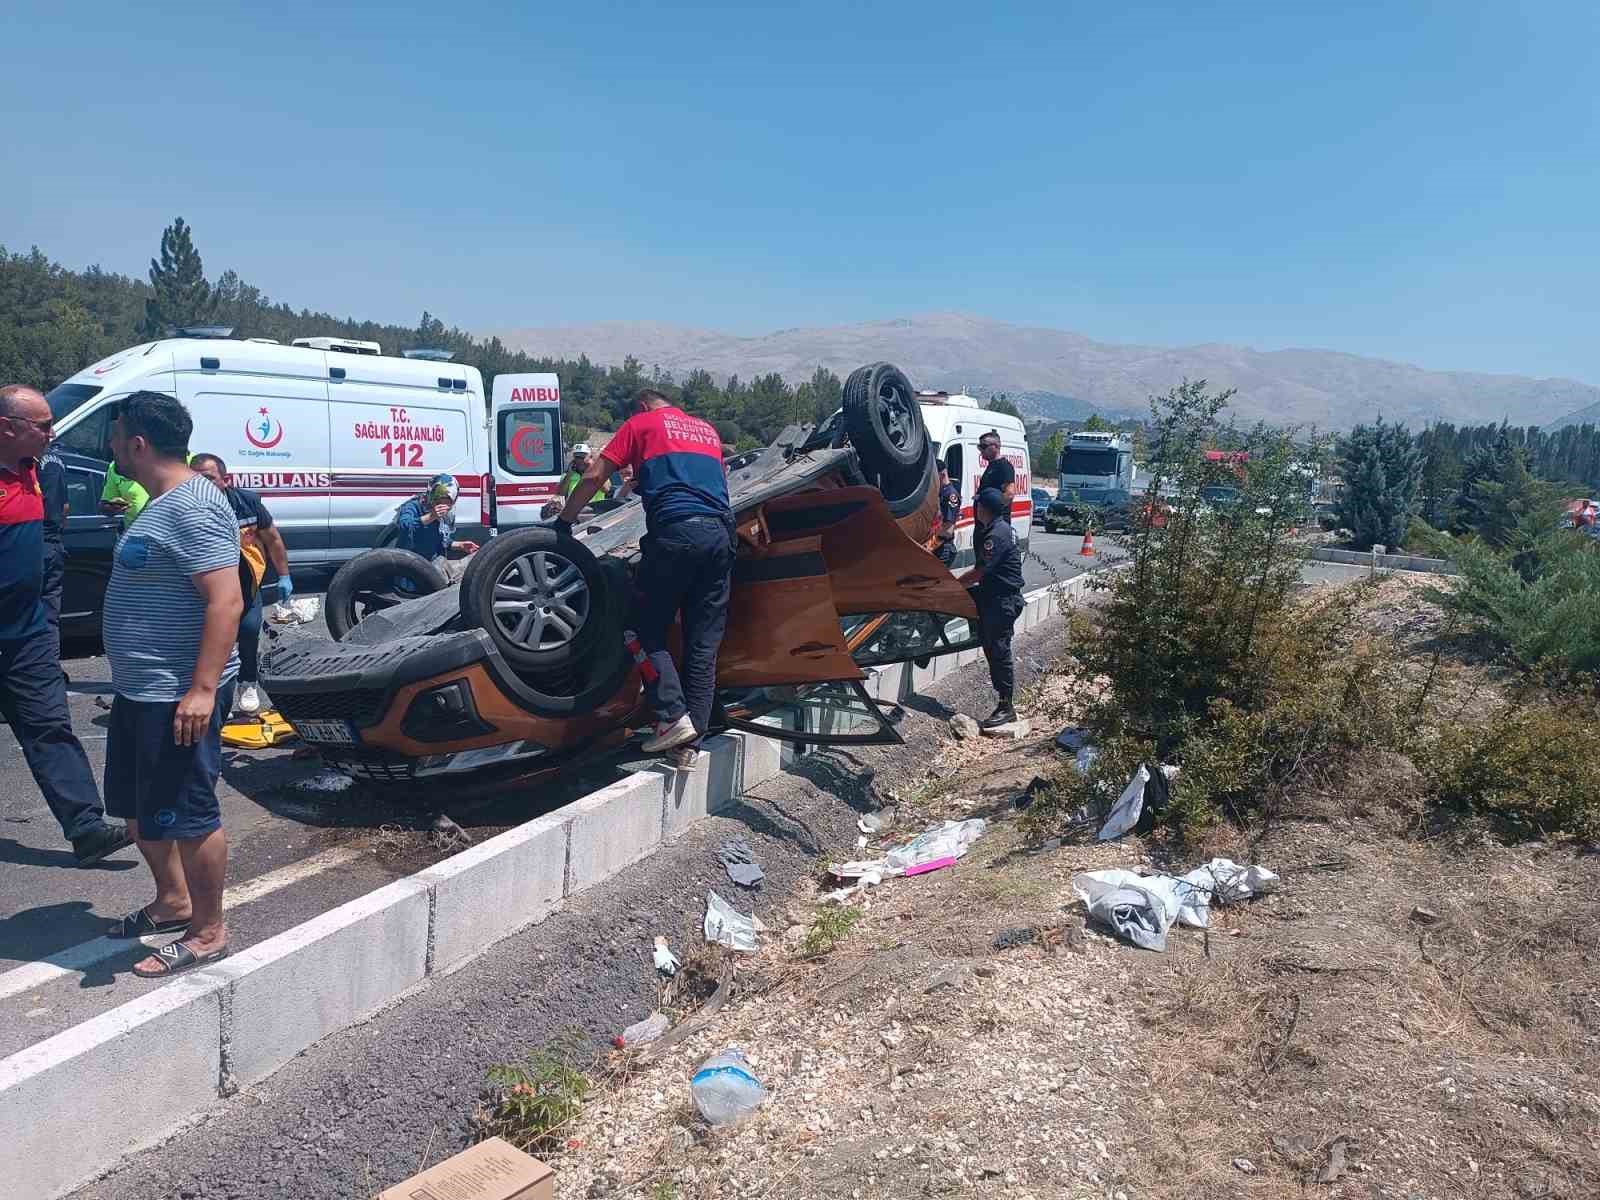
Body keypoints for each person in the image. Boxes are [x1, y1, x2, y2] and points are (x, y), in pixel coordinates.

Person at [101, 390, 244, 978]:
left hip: (177, 694)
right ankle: (173, 900)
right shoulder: (161, 504)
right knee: (139, 813)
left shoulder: (194, 504)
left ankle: (208, 929)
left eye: (114, 439)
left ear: (137, 443)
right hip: (141, 691)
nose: (110, 449)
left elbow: (226, 600)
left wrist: (203, 690)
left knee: (188, 814)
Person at [555, 389, 733, 754]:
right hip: (721, 535)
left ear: (640, 407)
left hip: (676, 533)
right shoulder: (706, 430)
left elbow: (593, 477)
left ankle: (671, 715)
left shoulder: (641, 424)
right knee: (702, 644)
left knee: (640, 629)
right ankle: (689, 745)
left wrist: (563, 524)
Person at [0, 385, 131, 864]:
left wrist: (45, 616)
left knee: (49, 725)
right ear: (7, 428)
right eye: (42, 426)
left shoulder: (39, 470)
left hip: (27, 633)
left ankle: (85, 828)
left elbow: (48, 544)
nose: (52, 434)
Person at [191, 454, 291, 716]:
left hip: (244, 583)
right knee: (209, 638)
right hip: (205, 587)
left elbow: (274, 540)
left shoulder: (247, 504)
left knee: (248, 631)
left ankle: (248, 682)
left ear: (225, 480)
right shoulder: (187, 506)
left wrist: (284, 575)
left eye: (209, 478)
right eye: (196, 478)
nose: (202, 484)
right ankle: (206, 691)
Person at [961, 488, 1026, 730]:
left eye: (977, 505)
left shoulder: (995, 535)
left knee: (998, 652)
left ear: (983, 508)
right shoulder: (999, 528)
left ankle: (1006, 706)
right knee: (990, 647)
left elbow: (979, 572)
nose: (975, 509)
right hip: (993, 596)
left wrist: (953, 585)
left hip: (1002, 601)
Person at [393, 473, 479, 564]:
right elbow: (405, 526)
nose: (443, 507)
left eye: (448, 503)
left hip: (430, 566)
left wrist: (459, 545)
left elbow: (438, 540)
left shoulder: (443, 515)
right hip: (409, 564)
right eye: (438, 502)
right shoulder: (413, 506)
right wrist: (431, 516)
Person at [99, 460, 150, 527]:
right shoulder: (115, 466)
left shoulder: (158, 458)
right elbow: (104, 507)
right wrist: (113, 506)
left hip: (161, 530)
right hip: (133, 531)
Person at [977, 430, 1016, 504]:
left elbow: (1009, 494)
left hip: (997, 515)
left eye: (983, 446)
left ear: (996, 446)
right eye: (979, 447)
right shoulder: (991, 465)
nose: (981, 450)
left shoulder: (1004, 466)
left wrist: (992, 509)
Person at [934, 459, 961, 569]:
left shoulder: (950, 495)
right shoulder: (940, 492)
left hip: (943, 548)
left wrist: (929, 543)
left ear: (941, 475)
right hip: (936, 547)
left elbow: (948, 530)